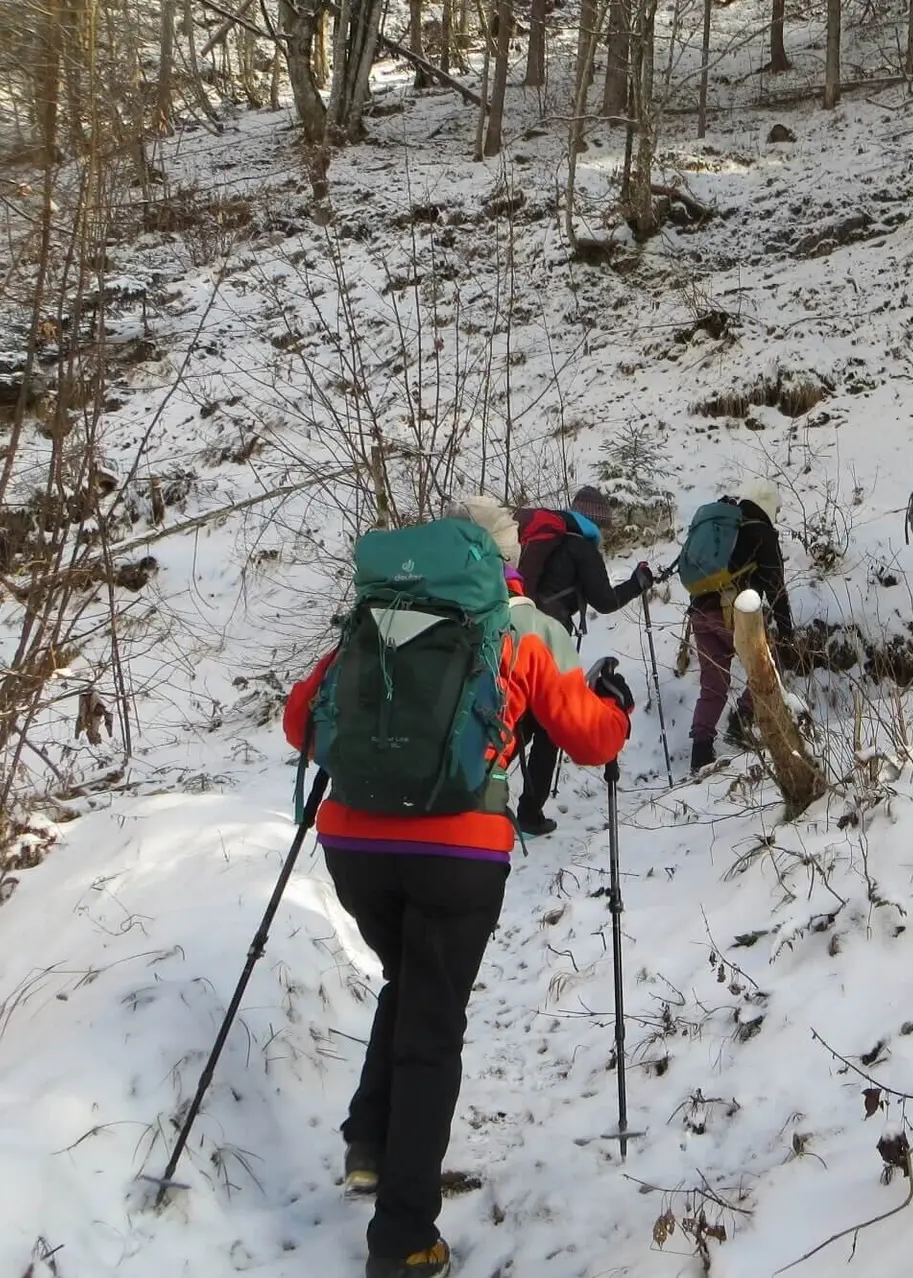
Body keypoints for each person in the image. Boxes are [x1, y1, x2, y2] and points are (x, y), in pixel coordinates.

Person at [284, 501, 634, 1278]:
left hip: (351, 843)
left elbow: (300, 721)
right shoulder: (511, 628)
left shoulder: (371, 623)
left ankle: (370, 1143)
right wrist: (617, 708)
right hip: (456, 849)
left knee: (409, 980)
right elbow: (587, 738)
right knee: (432, 1029)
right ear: (497, 561)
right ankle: (404, 1239)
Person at [513, 486, 652, 836]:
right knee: (548, 728)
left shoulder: (536, 539)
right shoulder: (580, 547)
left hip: (513, 637)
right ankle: (529, 815)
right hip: (548, 643)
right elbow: (604, 601)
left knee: (516, 723)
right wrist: (637, 583)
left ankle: (470, 798)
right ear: (596, 522)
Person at [688, 478, 793, 772]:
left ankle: (700, 752)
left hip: (700, 612)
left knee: (714, 685)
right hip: (731, 614)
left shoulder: (724, 527)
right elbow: (777, 590)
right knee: (767, 665)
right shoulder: (761, 532)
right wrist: (787, 636)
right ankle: (744, 721)